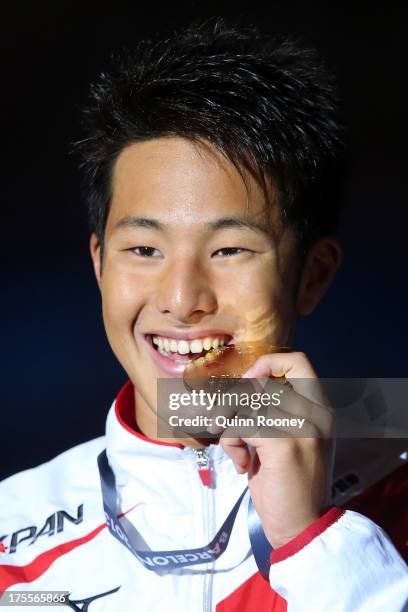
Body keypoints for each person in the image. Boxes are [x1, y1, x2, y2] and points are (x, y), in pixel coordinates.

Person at [0, 20, 407, 611]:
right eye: (144, 250)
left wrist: (308, 538)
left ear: (313, 275)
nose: (183, 297)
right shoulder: (12, 536)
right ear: (99, 266)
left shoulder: (395, 474)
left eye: (229, 250)